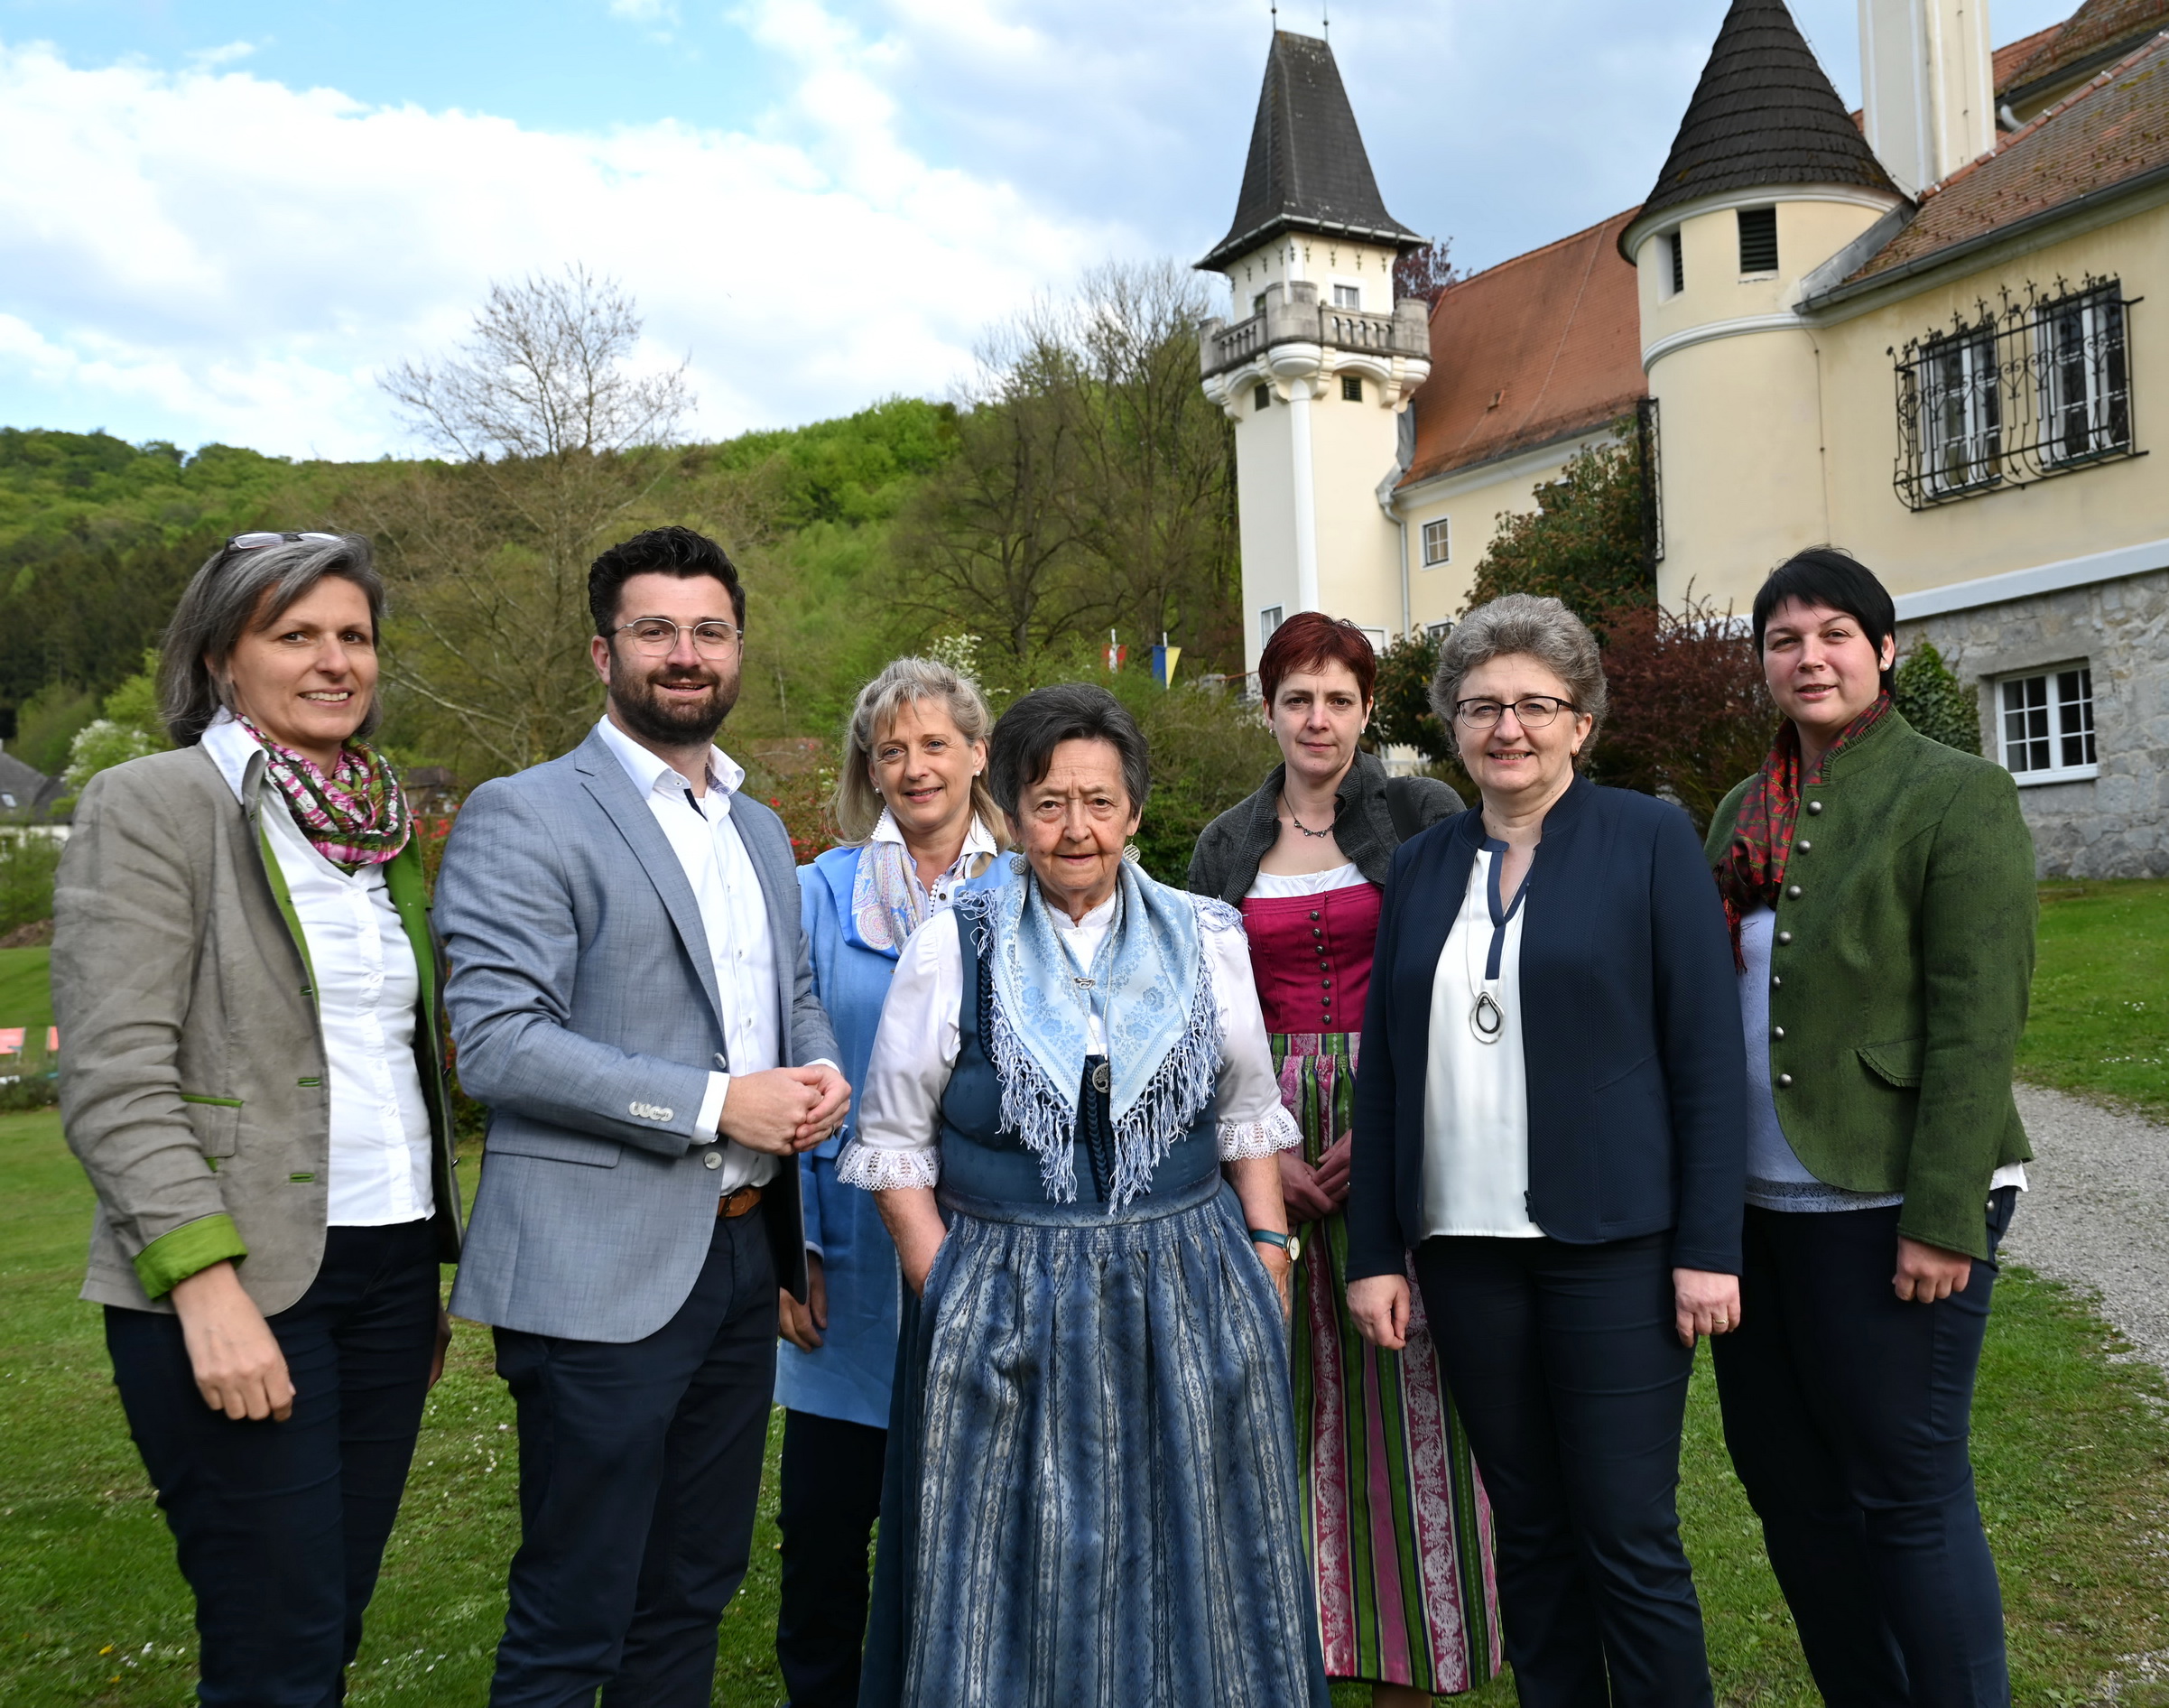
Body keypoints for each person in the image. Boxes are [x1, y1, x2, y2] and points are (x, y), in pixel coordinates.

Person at [842, 682, 1331, 1708]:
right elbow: (893, 1145)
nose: (1077, 828)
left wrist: (1270, 1260)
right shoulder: (954, 942)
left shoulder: (1204, 937)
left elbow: (1246, 1115)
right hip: (1009, 1290)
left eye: (1100, 801)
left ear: (1135, 812)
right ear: (1013, 813)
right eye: (1052, 801)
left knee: (1198, 1542)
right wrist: (953, 1295)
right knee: (1008, 1550)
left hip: (1191, 1283)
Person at [437, 524, 848, 1708]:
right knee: (579, 1609)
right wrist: (723, 1103)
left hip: (738, 1258)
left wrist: (812, 1076)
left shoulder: (758, 828)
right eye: (655, 630)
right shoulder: (525, 814)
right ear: (600, 651)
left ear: (736, 650)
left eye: (708, 631)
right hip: (594, 1271)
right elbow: (501, 1045)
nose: (685, 653)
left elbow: (791, 1003)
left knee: (692, 1591)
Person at [52, 531, 464, 1704]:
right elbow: (116, 1075)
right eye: (297, 636)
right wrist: (205, 1288)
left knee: (323, 1625)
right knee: (274, 1644)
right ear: (224, 657)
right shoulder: (154, 805)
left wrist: (413, 1272)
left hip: (385, 1284)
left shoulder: (375, 827)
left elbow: (384, 1063)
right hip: (231, 1285)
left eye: (355, 636)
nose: (335, 661)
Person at [1346, 593, 1747, 1708]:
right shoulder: (1422, 863)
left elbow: (1705, 1055)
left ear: (1581, 720)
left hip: (1612, 1240)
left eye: (1535, 704)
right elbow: (1386, 1068)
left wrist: (1710, 1245)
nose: (1507, 727)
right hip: (1467, 1248)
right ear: (1452, 723)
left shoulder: (1649, 836)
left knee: (1626, 1528)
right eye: (1481, 706)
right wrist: (1376, 1249)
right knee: (1525, 1524)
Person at [1706, 548, 2035, 1706]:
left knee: (1906, 1487)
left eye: (1835, 632)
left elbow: (1977, 1021)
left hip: (1892, 1203)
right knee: (1791, 1489)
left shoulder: (1957, 791)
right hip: (1754, 1213)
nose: (1810, 656)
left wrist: (1946, 1215)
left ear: (1884, 649)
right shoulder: (1744, 811)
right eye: (1785, 640)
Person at [1189, 610, 1499, 1703]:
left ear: (1368, 712)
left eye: (1338, 698)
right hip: (1264, 1129)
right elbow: (1204, 1021)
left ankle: (1423, 1641)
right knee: (1286, 1388)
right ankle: (1297, 1642)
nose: (1317, 719)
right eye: (1296, 697)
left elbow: (1469, 981)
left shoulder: (1421, 812)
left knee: (1407, 1375)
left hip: (1407, 1109)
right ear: (1267, 709)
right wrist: (1265, 1158)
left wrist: (1385, 1131)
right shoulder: (1224, 845)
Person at [777, 656, 1006, 1707]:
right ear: (871, 768)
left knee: (979, 1532)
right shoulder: (817, 891)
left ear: (978, 754)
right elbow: (781, 1067)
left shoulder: (1030, 885)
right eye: (892, 749)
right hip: (850, 1260)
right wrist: (798, 1249)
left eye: (935, 743)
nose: (915, 766)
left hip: (997, 1252)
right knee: (826, 1534)